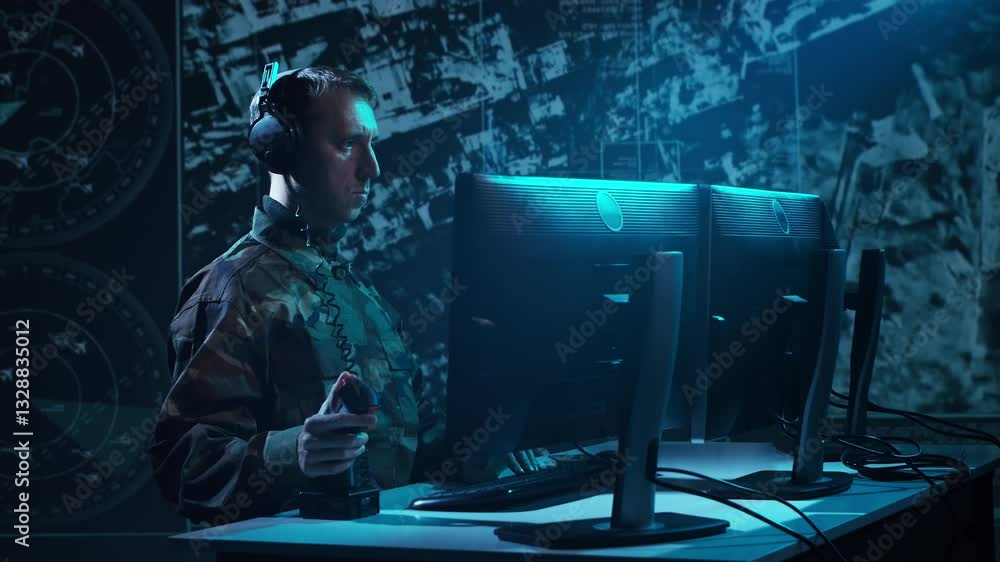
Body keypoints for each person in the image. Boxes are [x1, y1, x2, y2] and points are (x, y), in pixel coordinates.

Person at [150, 65, 547, 525]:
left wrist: (487, 449)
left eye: (371, 144)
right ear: (282, 150)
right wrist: (296, 451)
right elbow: (181, 465)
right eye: (347, 144)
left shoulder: (361, 294)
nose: (372, 167)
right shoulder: (231, 288)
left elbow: (416, 446)